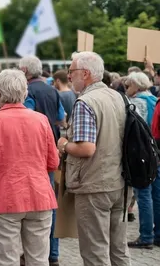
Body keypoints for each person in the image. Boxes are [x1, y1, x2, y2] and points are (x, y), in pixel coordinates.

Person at [0, 69, 59, 266]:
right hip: (39, 195)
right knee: (39, 259)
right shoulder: (41, 120)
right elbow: (53, 162)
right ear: (24, 92)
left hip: (6, 196)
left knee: (7, 260)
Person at [57, 51, 129, 266]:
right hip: (120, 182)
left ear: (85, 73)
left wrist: (63, 145)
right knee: (119, 249)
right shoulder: (118, 96)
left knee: (95, 252)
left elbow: (87, 148)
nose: (69, 76)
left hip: (94, 184)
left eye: (71, 71)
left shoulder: (85, 102)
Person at [18, 56, 65, 265]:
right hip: (50, 149)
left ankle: (32, 254)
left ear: (26, 70)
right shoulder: (52, 90)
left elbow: (24, 122)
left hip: (31, 153)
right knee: (49, 204)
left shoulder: (28, 92)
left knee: (31, 207)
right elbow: (61, 118)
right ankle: (52, 254)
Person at [123, 71, 159, 249]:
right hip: (156, 151)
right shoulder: (154, 99)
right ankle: (157, 233)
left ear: (136, 86)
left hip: (142, 153)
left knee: (143, 194)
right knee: (156, 194)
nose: (127, 89)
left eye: (128, 85)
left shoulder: (137, 103)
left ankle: (146, 236)